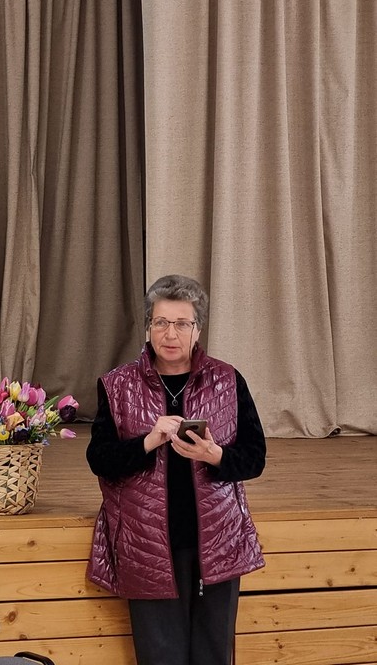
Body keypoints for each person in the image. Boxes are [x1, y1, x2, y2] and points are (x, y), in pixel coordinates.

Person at [86, 274, 266, 665]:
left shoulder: (227, 380)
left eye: (182, 323)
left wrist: (214, 454)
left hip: (217, 542)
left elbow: (254, 458)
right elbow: (100, 459)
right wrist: (148, 441)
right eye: (161, 322)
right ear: (148, 327)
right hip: (147, 544)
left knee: (214, 655)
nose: (171, 334)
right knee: (160, 657)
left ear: (198, 329)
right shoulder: (117, 385)